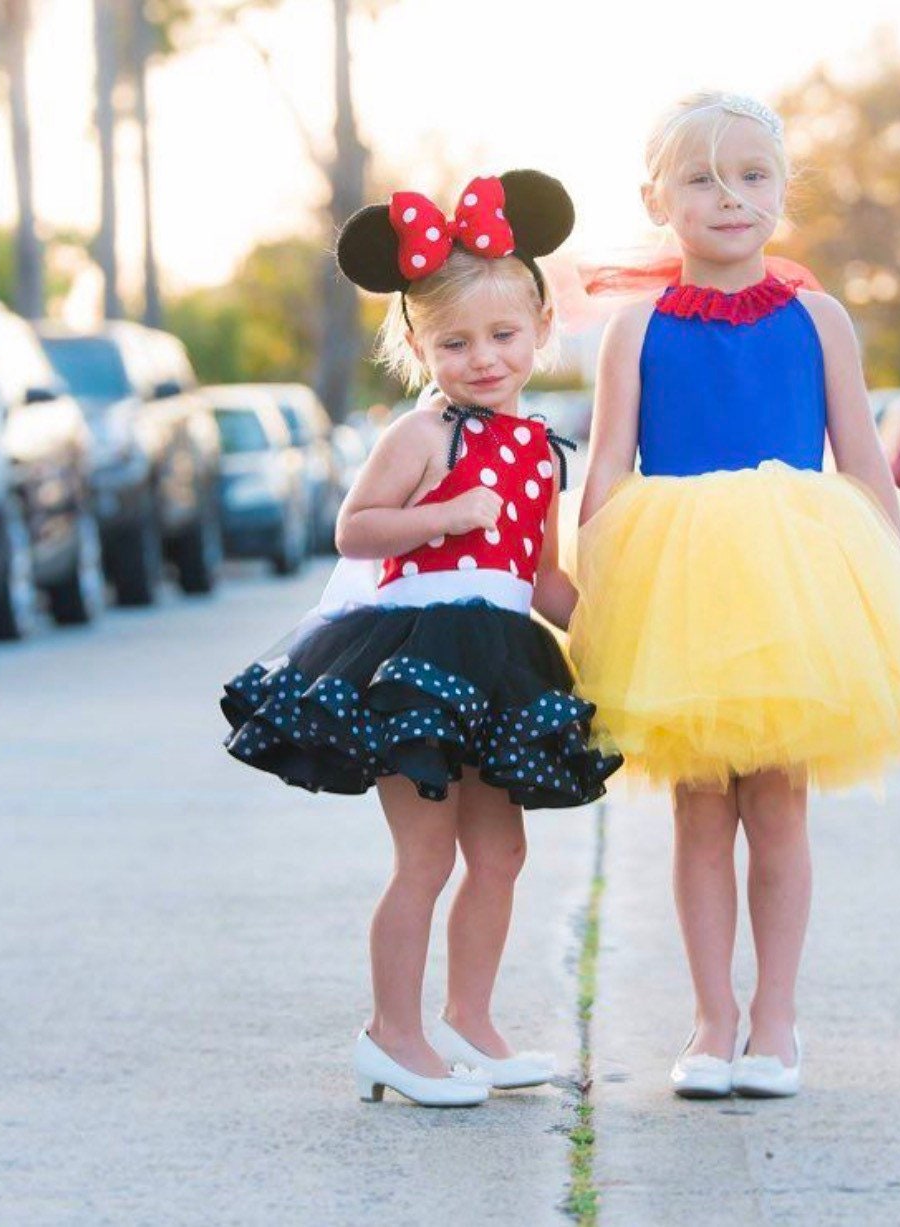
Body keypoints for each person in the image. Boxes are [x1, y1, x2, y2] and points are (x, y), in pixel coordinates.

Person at [571, 92, 900, 1099]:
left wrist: (884, 597)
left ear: (783, 192)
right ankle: (711, 1022)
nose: (730, 197)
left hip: (791, 582)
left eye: (752, 175)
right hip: (676, 582)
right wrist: (593, 593)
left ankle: (776, 1021)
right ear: (657, 199)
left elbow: (861, 463)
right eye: (701, 178)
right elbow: (602, 473)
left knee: (779, 802)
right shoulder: (633, 331)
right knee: (697, 807)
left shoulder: (819, 318)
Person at [220, 170, 620, 1108]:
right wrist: (442, 515)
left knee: (503, 853)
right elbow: (354, 531)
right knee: (426, 856)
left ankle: (467, 1018)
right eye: (455, 341)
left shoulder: (538, 448)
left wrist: (602, 627)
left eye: (502, 335)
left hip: (504, 657)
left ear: (540, 331)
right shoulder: (423, 432)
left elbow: (542, 577)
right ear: (417, 345)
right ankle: (391, 1034)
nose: (483, 358)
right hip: (418, 660)